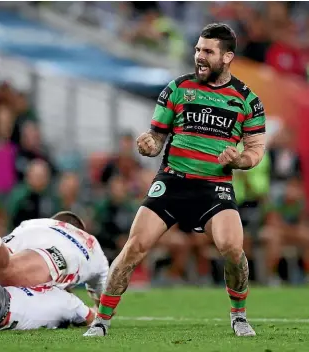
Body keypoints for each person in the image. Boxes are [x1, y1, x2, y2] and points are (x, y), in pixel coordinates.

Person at [84, 23, 266, 337]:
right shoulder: (178, 88)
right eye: (197, 49)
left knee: (233, 249)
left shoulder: (248, 100)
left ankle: (239, 316)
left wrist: (240, 159)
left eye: (208, 51)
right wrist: (149, 145)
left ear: (227, 57)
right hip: (172, 181)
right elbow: (157, 136)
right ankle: (101, 321)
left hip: (215, 187)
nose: (199, 56)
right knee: (135, 247)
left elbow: (255, 151)